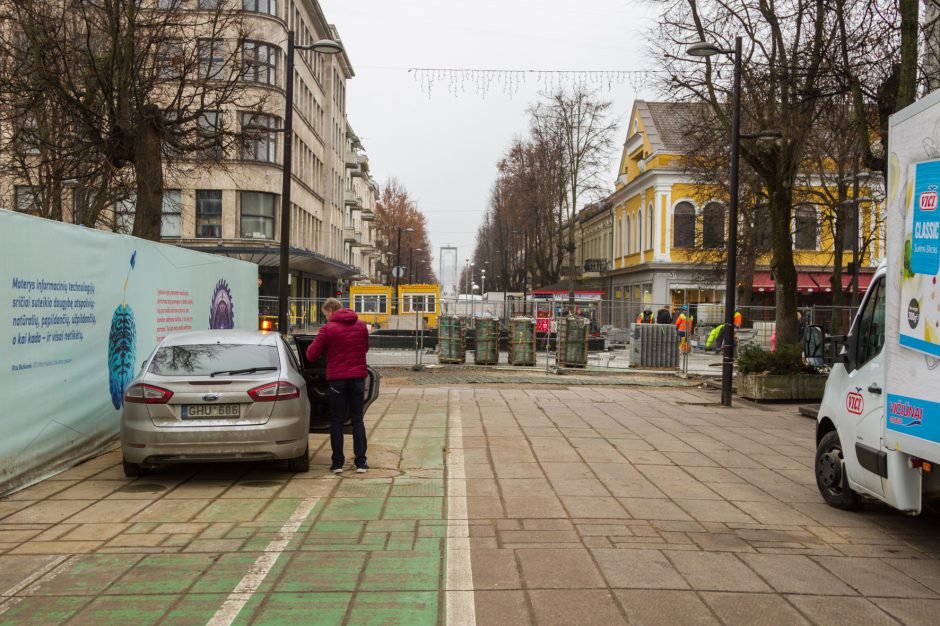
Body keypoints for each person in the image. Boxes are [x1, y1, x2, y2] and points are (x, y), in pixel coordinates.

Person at [306, 298, 370, 474]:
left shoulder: (327, 329)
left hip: (337, 381)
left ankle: (337, 463)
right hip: (358, 378)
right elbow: (364, 348)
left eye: (325, 314)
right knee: (357, 420)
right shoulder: (361, 325)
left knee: (337, 421)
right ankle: (361, 462)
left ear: (330, 310)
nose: (325, 317)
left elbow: (311, 355)